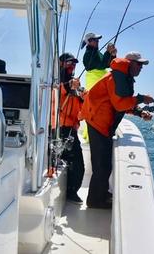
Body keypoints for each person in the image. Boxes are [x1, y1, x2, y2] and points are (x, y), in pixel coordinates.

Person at [80, 51, 154, 209]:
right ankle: (95, 201)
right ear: (130, 63)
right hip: (98, 122)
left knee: (104, 164)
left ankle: (101, 195)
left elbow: (120, 103)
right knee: (102, 165)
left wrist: (139, 112)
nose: (141, 68)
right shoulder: (116, 78)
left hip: (102, 122)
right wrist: (141, 98)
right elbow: (120, 104)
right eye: (139, 64)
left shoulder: (121, 77)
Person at [58, 52, 85, 204]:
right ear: (61, 63)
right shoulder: (57, 80)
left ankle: (70, 192)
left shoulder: (76, 84)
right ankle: (69, 192)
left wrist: (81, 94)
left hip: (71, 129)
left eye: (74, 63)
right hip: (59, 128)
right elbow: (59, 91)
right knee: (74, 162)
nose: (72, 66)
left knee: (77, 164)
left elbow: (83, 106)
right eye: (69, 63)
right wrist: (69, 86)